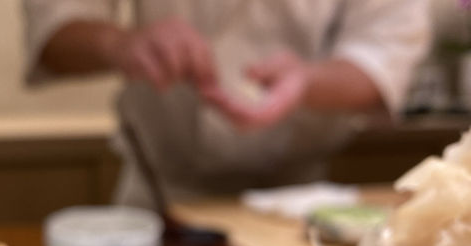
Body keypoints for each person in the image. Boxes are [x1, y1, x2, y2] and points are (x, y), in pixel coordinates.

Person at [23, 1, 431, 208]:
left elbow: (384, 55)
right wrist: (121, 43)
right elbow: (57, 25)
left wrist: (305, 82)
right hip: (157, 198)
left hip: (296, 205)